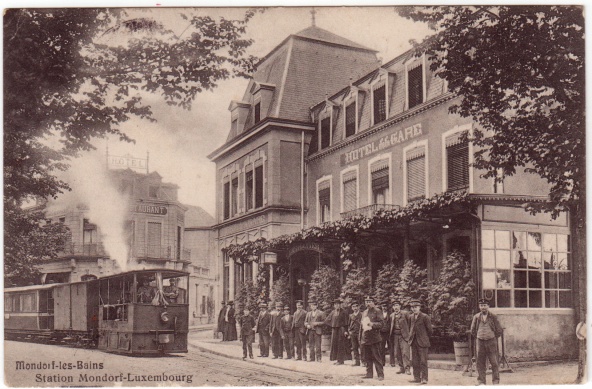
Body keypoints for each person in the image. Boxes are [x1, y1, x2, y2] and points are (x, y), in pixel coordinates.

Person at [470, 298, 503, 385]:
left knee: (494, 362)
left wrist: (492, 337)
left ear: (488, 306)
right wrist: (479, 336)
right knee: (480, 362)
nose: (483, 307)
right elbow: (473, 330)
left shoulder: (493, 316)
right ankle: (481, 381)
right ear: (479, 306)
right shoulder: (476, 317)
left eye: (485, 305)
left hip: (491, 342)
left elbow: (499, 330)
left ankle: (495, 381)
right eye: (481, 306)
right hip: (480, 342)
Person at [360, 296, 384, 381]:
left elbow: (381, 324)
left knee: (376, 357)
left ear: (373, 302)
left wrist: (372, 324)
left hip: (374, 338)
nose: (368, 303)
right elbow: (361, 326)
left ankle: (380, 375)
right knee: (367, 357)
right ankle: (369, 373)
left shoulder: (377, 311)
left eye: (369, 301)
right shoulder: (364, 312)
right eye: (366, 301)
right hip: (366, 338)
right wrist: (361, 338)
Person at [409, 299, 432, 385]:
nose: (414, 309)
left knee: (423, 361)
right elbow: (410, 328)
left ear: (419, 307)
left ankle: (424, 378)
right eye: (412, 307)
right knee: (414, 361)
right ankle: (416, 378)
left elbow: (430, 330)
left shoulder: (425, 317)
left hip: (422, 342)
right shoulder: (411, 317)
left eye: (416, 307)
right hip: (413, 342)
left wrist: (424, 337)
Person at [325, 298, 349, 365]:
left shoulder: (344, 312)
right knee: (334, 344)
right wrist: (332, 325)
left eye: (338, 304)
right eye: (335, 304)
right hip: (334, 330)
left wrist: (346, 330)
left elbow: (346, 322)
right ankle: (337, 359)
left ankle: (341, 360)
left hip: (341, 329)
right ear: (334, 305)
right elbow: (327, 320)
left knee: (340, 344)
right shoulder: (333, 312)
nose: (337, 306)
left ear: (340, 305)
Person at [390, 300, 411, 375]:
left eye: (397, 305)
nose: (396, 307)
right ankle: (401, 368)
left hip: (404, 336)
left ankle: (407, 368)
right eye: (394, 306)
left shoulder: (405, 313)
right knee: (397, 353)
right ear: (393, 307)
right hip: (395, 336)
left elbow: (410, 324)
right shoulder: (392, 315)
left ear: (400, 306)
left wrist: (409, 334)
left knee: (405, 352)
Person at [348, 302, 362, 366]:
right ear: (352, 308)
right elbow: (349, 325)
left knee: (362, 347)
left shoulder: (361, 314)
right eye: (353, 307)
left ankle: (364, 361)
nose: (355, 308)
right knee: (354, 347)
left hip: (360, 333)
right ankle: (357, 362)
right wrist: (349, 332)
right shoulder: (351, 315)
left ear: (358, 307)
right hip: (353, 333)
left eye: (356, 306)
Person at [379, 302, 391, 366]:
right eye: (383, 306)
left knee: (390, 347)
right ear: (381, 307)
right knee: (381, 347)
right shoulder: (379, 314)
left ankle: (392, 362)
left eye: (385, 306)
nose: (384, 307)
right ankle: (382, 362)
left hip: (388, 332)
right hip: (381, 333)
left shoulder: (390, 314)